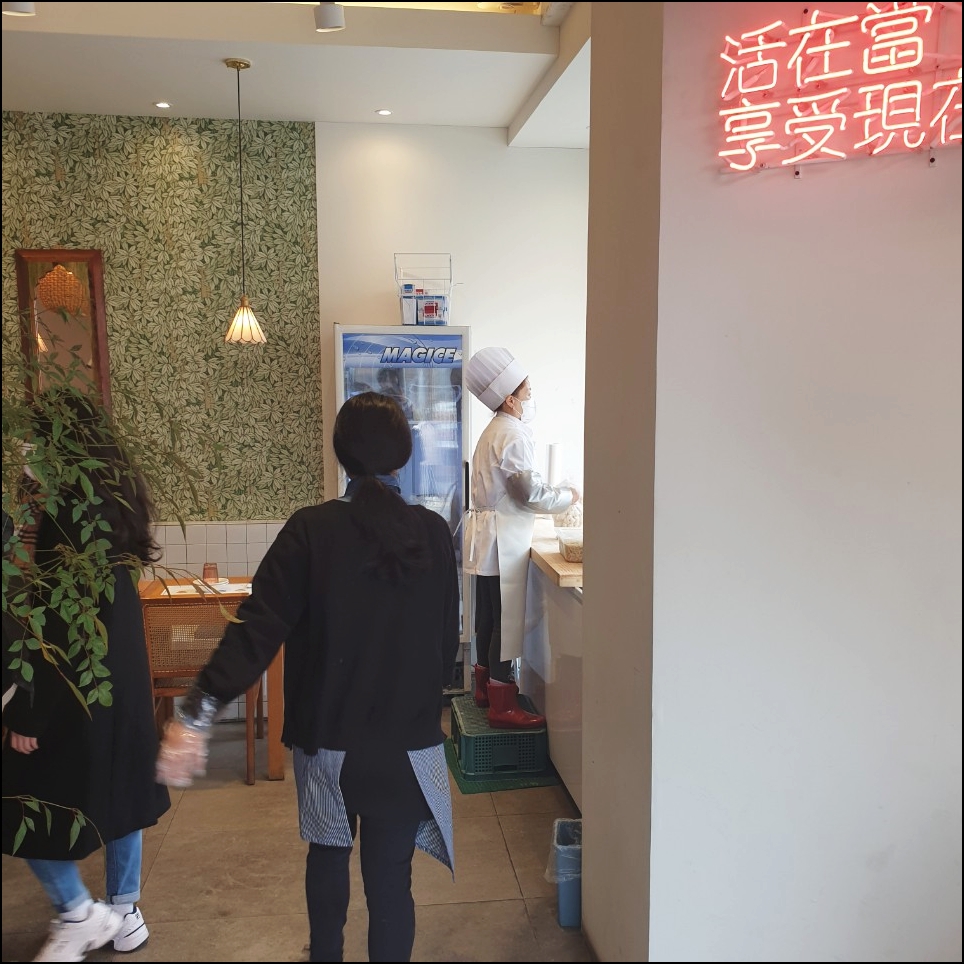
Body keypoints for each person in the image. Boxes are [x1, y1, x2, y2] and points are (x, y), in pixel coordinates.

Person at [155, 391, 458, 964]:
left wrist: (195, 714)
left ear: (341, 453)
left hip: (329, 743)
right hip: (408, 743)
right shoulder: (433, 532)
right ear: (404, 455)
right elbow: (447, 643)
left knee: (328, 859)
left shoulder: (311, 530)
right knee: (391, 883)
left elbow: (256, 628)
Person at [1, 392, 171, 963]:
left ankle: (78, 911)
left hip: (80, 687)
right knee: (123, 792)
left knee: (21, 797)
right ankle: (124, 912)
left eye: (35, 443)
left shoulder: (66, 518)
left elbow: (59, 626)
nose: (27, 453)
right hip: (120, 681)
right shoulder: (114, 500)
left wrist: (28, 715)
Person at [463, 347, 580, 729]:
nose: (531, 398)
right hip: (504, 539)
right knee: (505, 621)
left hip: (487, 537)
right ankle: (502, 704)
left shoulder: (493, 431)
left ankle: (485, 689)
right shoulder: (512, 434)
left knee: (487, 616)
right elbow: (528, 492)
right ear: (510, 399)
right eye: (527, 392)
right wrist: (568, 496)